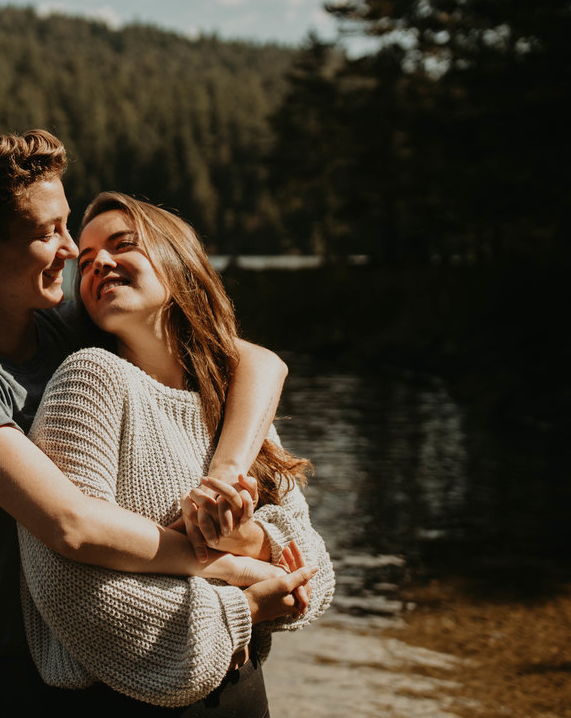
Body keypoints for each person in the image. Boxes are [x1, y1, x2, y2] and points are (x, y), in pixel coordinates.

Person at [0, 130, 312, 717]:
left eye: (67, 224)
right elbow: (71, 524)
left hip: (91, 679)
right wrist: (237, 565)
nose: (71, 251)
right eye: (48, 233)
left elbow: (257, 361)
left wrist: (223, 474)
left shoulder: (70, 325)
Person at [17, 193, 334, 715]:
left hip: (245, 692)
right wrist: (244, 604)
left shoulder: (231, 399)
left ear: (178, 262)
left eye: (123, 246)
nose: (100, 264)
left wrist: (245, 538)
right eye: (88, 262)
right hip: (123, 698)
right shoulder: (92, 379)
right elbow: (64, 587)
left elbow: (314, 569)